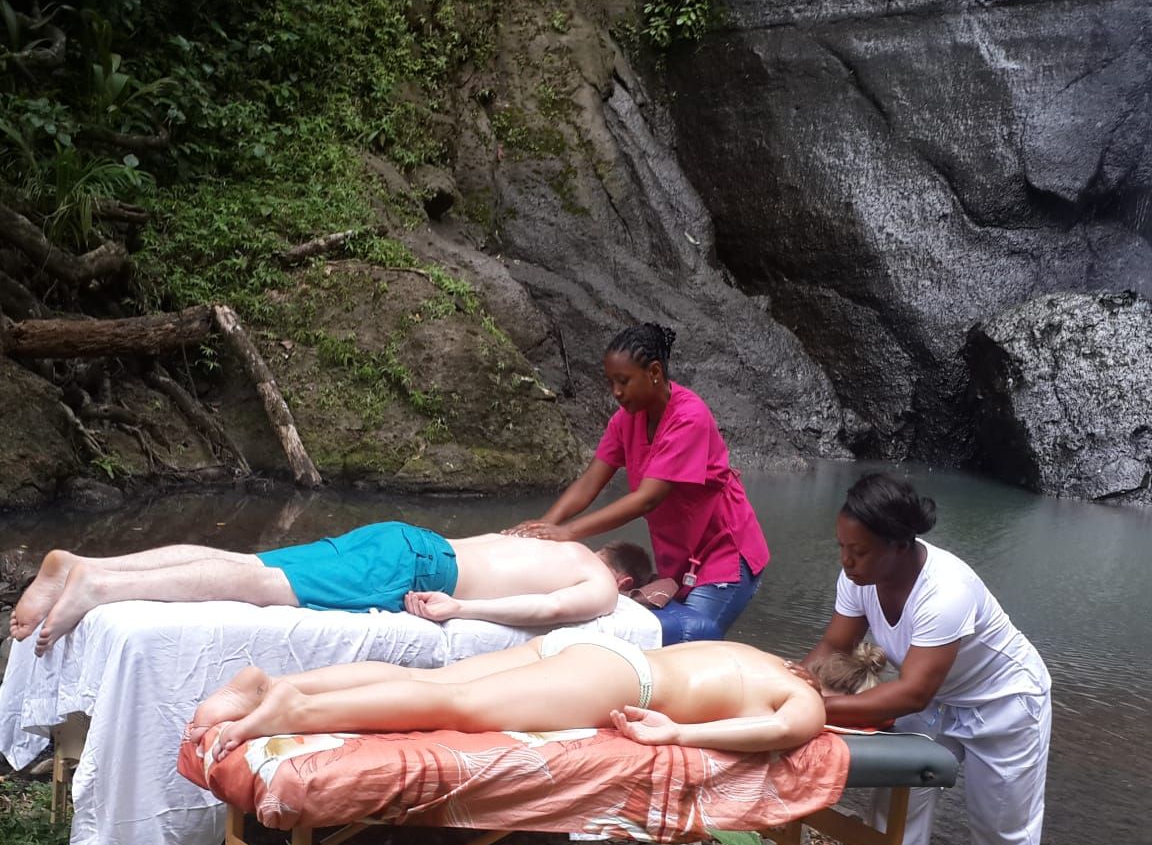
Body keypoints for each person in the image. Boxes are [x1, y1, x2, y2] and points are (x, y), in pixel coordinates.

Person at [801, 471, 1052, 845]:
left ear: (898, 545)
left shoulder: (946, 590)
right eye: (842, 547)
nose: (846, 560)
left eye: (859, 551)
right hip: (936, 703)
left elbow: (913, 692)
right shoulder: (861, 576)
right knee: (896, 806)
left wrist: (815, 709)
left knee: (1000, 829)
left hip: (1003, 704)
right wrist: (791, 687)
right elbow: (834, 646)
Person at [508, 324, 769, 645]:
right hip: (680, 558)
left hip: (724, 554)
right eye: (611, 382)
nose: (616, 392)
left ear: (655, 372)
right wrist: (541, 529)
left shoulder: (690, 417)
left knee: (688, 647)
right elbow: (590, 482)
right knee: (662, 644)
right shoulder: (625, 421)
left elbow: (648, 498)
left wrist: (567, 533)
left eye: (623, 381)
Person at [10, 527, 654, 656]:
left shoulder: (554, 542)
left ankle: (88, 560)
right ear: (624, 578)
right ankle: (98, 584)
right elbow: (546, 611)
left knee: (247, 558)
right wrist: (460, 609)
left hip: (409, 539)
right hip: (418, 572)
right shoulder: (602, 584)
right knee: (259, 584)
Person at [192, 633, 826, 759]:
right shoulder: (805, 698)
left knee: (437, 683)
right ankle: (296, 712)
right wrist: (677, 733)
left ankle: (272, 685)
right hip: (624, 682)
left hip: (594, 650)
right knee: (455, 709)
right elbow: (775, 734)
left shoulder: (768, 656)